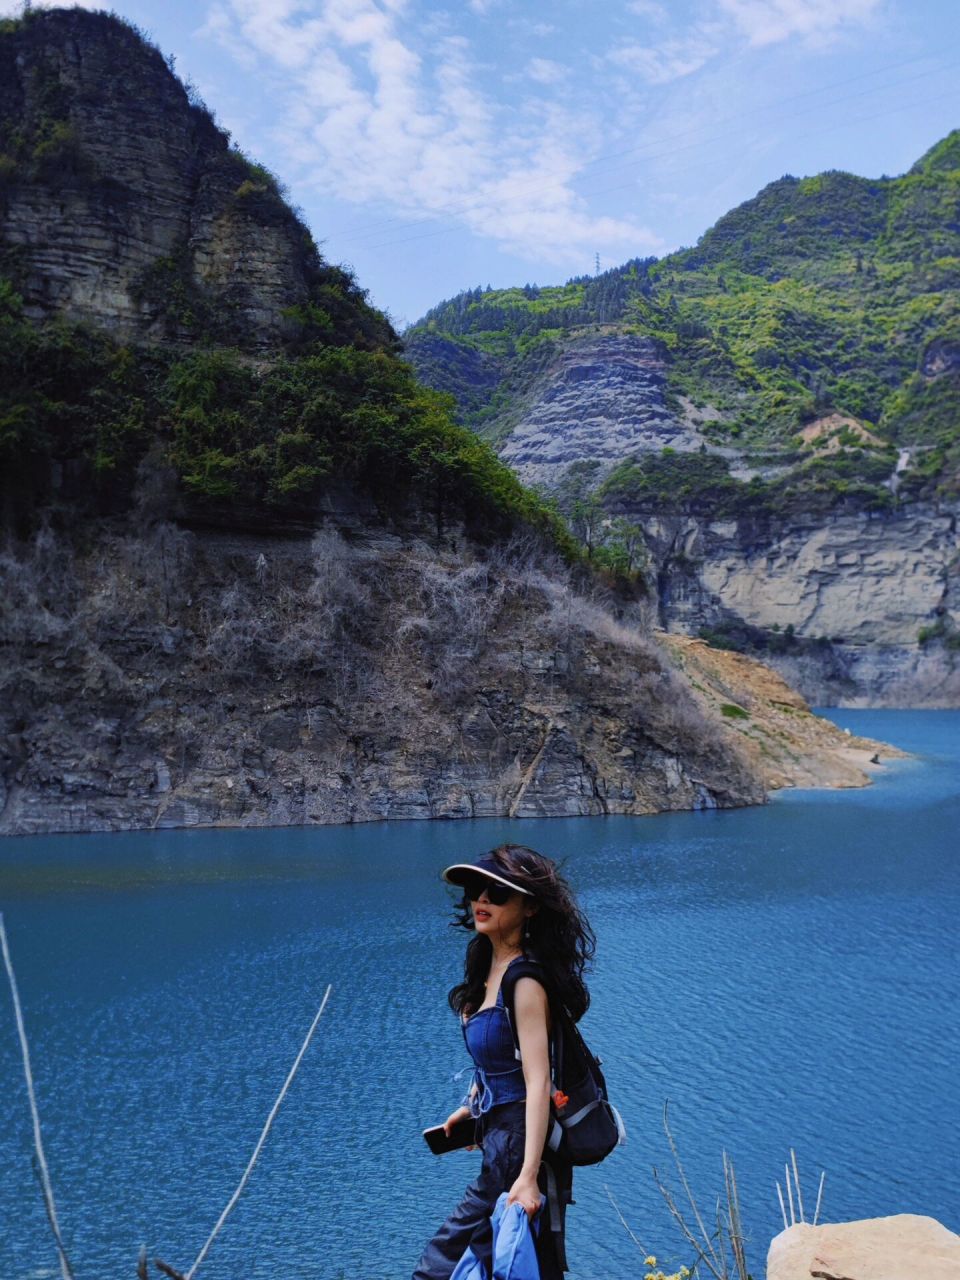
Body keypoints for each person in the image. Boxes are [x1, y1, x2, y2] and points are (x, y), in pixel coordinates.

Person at [412, 843, 596, 1280]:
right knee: (515, 1264)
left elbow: (538, 1081)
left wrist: (528, 1175)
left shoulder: (525, 980)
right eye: (475, 891)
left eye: (497, 893)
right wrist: (472, 1105)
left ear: (530, 907)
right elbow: (498, 1059)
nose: (481, 900)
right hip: (500, 1136)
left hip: (517, 1145)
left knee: (439, 1268)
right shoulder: (488, 967)